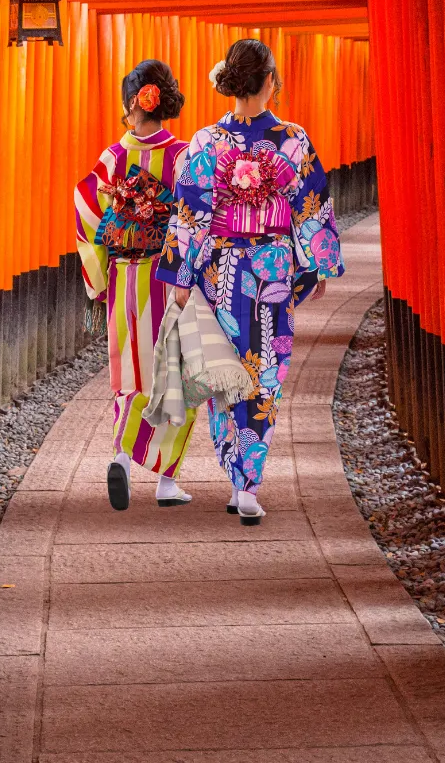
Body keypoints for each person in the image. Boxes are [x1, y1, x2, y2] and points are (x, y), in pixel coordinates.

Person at [156, 38, 345, 524]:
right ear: (270, 84)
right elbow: (312, 204)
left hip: (221, 269)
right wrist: (318, 262)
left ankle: (235, 472)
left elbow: (189, 212)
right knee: (264, 375)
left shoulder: (204, 142)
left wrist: (182, 273)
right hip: (273, 270)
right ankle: (247, 483)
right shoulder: (292, 140)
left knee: (227, 372)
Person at [73, 59, 201, 511]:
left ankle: (123, 457)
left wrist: (99, 278)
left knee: (130, 368)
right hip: (170, 278)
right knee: (177, 372)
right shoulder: (184, 155)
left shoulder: (112, 158)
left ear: (134, 103)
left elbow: (88, 212)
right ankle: (167, 481)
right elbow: (193, 218)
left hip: (125, 276)